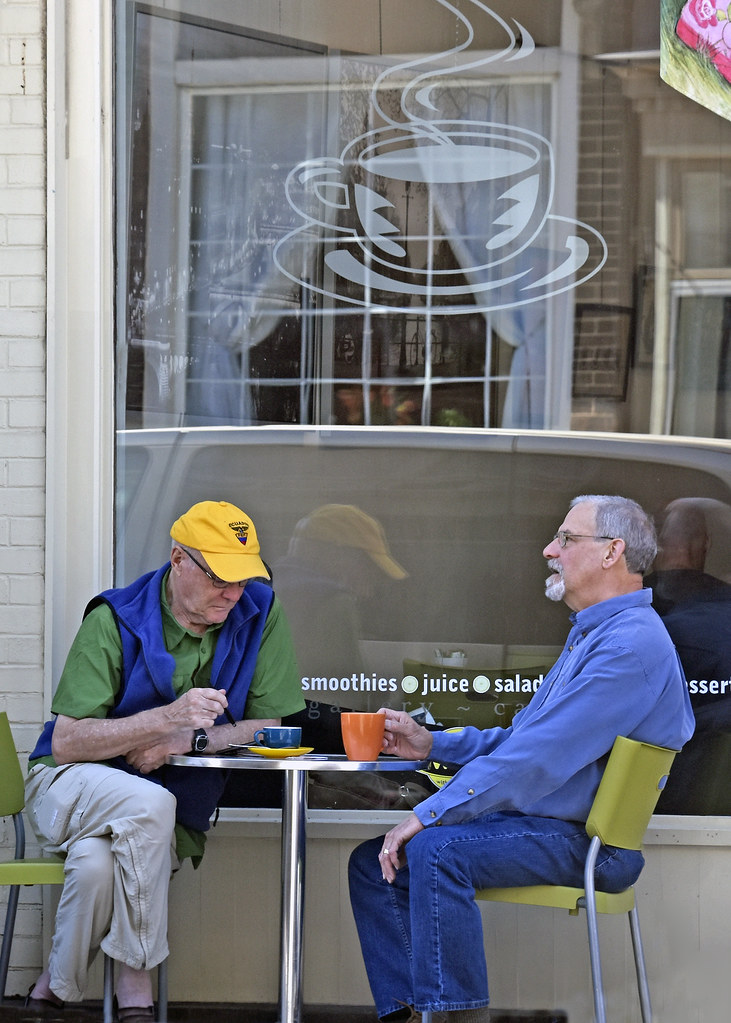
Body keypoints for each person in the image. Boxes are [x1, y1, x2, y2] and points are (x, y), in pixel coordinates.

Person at [348, 494, 694, 1023]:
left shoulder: (628, 646)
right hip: (551, 826)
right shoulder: (596, 634)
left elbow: (535, 759)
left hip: (593, 845)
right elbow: (519, 740)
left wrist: (428, 813)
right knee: (375, 865)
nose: (548, 549)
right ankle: (410, 1016)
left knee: (435, 849)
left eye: (566, 539)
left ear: (611, 552)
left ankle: (455, 1018)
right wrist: (432, 744)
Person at [23, 500, 304, 1021]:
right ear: (178, 559)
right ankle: (136, 985)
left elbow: (275, 725)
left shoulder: (260, 610)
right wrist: (165, 718)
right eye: (221, 577)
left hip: (157, 815)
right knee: (151, 801)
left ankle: (50, 994)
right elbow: (66, 743)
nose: (234, 593)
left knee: (95, 867)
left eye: (245, 579)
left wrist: (189, 741)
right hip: (68, 786)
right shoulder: (114, 616)